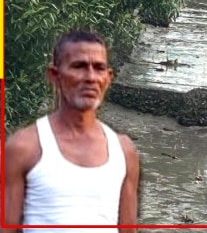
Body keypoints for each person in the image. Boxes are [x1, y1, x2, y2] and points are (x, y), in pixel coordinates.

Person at [4, 30, 140, 230]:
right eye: (79, 66)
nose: (91, 78)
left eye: (99, 68)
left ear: (108, 77)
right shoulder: (24, 147)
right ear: (55, 75)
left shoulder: (124, 151)